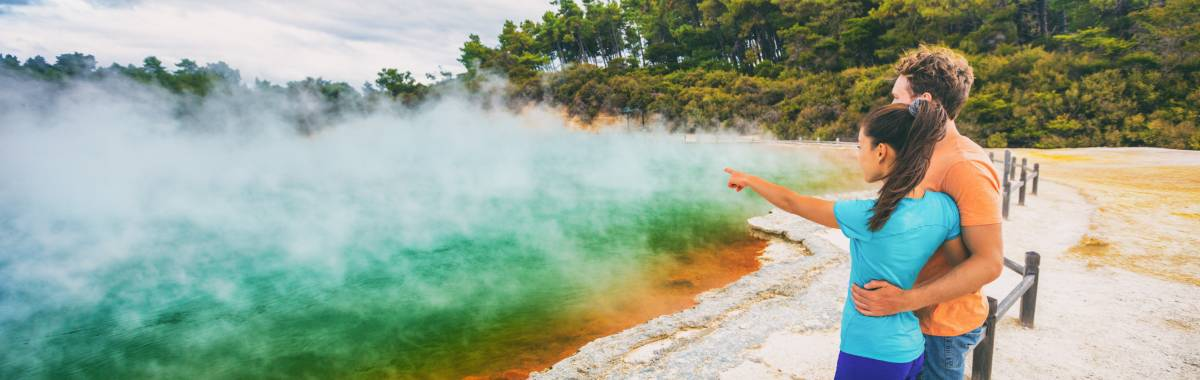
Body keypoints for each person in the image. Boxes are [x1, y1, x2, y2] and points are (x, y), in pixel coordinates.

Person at [724, 99, 966, 380]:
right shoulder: (944, 208)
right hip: (912, 348)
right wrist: (912, 299)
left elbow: (793, 202)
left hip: (869, 352)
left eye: (860, 147)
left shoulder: (870, 216)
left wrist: (750, 180)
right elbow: (960, 269)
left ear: (881, 152)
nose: (858, 155)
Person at [848, 46, 1004, 380]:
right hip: (910, 318)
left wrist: (906, 300)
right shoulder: (920, 152)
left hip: (941, 329)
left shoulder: (965, 166)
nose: (891, 107)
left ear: (925, 103)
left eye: (896, 97)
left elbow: (989, 263)